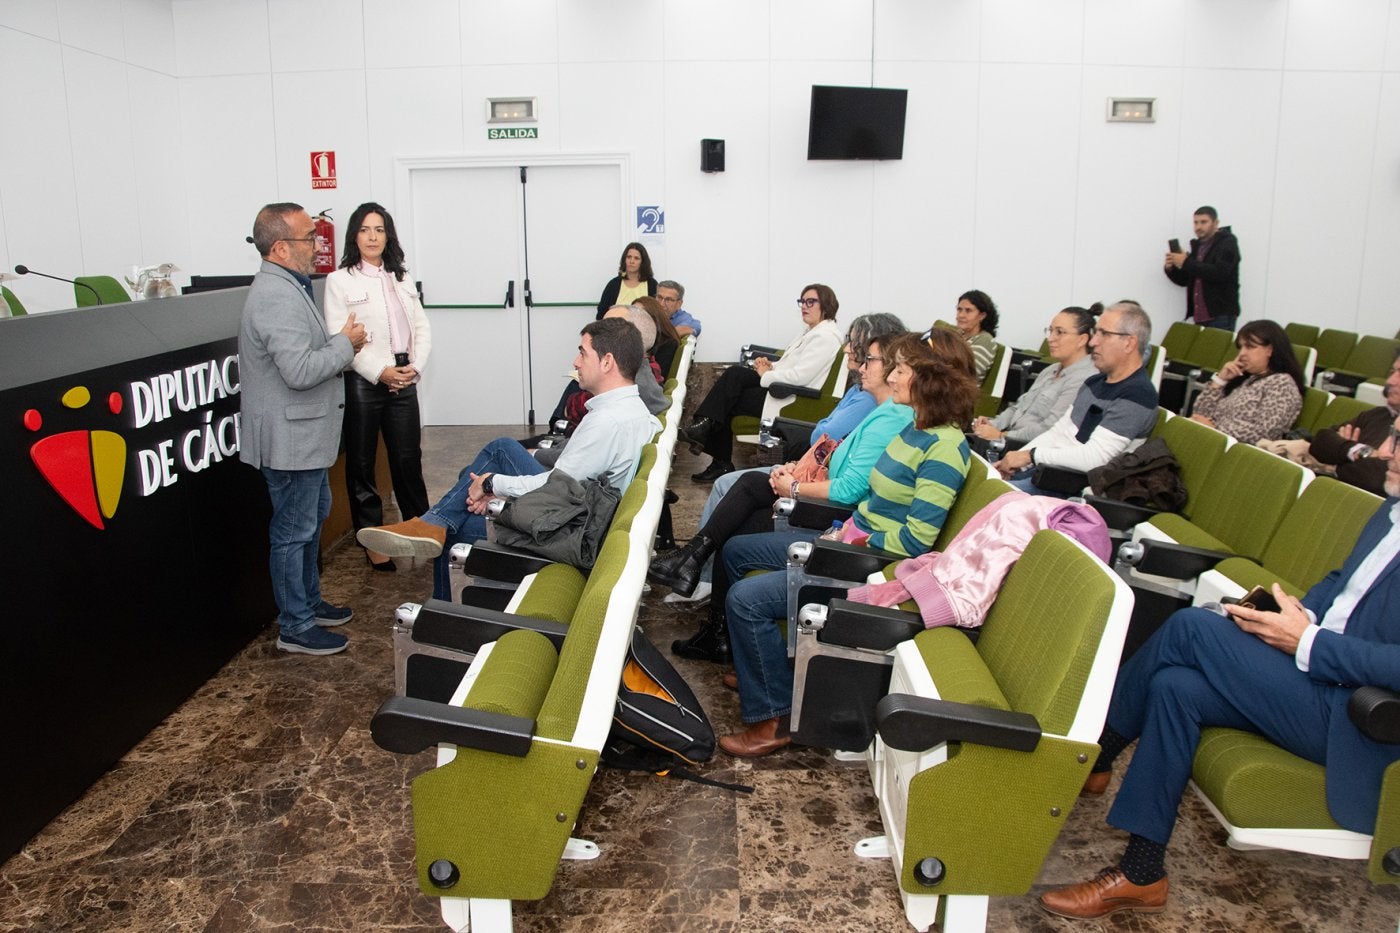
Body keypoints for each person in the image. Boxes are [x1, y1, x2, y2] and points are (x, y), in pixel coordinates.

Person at [1040, 417, 1400, 920]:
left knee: (1190, 628)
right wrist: (1298, 613)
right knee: (1175, 686)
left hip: (1357, 715)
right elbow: (1343, 582)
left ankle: (1098, 752)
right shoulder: (1391, 510)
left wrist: (1308, 641)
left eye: (1398, 441)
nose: (1384, 450)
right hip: (1316, 672)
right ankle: (1142, 872)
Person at [715, 334, 979, 755]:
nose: (891, 376)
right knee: (736, 550)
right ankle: (764, 671)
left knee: (746, 600)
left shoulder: (943, 450)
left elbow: (914, 540)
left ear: (929, 381)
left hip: (870, 565)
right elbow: (871, 500)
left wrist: (848, 538)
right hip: (852, 541)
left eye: (901, 370)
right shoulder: (914, 429)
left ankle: (775, 718)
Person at [357, 318, 660, 600]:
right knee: (501, 450)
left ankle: (442, 622)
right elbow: (566, 482)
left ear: (607, 362)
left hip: (571, 528)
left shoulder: (606, 422)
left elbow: (554, 489)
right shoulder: (637, 412)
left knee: (460, 528)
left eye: (583, 353)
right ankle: (433, 522)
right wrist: (492, 487)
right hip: (581, 510)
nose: (575, 361)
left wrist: (492, 485)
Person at [654, 330, 916, 653]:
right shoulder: (879, 410)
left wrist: (793, 485)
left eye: (872, 361)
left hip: (832, 517)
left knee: (743, 500)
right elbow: (832, 451)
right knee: (740, 506)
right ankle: (708, 607)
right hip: (827, 500)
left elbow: (848, 486)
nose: (861, 366)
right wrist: (799, 468)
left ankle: (696, 573)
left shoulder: (891, 417)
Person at [238, 202, 367, 656]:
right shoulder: (274, 295)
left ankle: (309, 603)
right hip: (290, 440)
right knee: (293, 533)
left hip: (306, 437)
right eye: (309, 238)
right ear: (279, 248)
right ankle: (295, 625)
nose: (317, 245)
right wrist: (345, 345)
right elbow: (298, 370)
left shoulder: (290, 286)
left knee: (310, 524)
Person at [323, 201, 431, 572]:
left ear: (389, 235)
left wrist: (413, 367)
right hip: (364, 381)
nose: (373, 237)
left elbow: (421, 328)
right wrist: (380, 371)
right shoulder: (340, 281)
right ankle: (370, 539)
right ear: (355, 235)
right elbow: (342, 339)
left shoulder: (401, 276)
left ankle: (421, 527)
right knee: (363, 462)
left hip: (404, 377)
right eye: (365, 230)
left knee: (407, 459)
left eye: (379, 229)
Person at [681, 284, 843, 483]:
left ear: (826, 304)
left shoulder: (825, 337)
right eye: (802, 301)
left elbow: (801, 377)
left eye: (811, 302)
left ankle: (710, 441)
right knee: (734, 376)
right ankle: (704, 428)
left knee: (726, 401)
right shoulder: (812, 331)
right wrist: (770, 365)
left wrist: (766, 374)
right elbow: (791, 365)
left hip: (793, 397)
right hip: (781, 386)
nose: (804, 306)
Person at [994, 301, 1158, 496]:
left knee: (990, 497)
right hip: (1045, 472)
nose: (1093, 341)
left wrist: (1032, 455)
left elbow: (1095, 458)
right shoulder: (1095, 382)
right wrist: (1014, 464)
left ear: (1129, 343)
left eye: (1104, 334)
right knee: (983, 483)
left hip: (1073, 487)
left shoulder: (1137, 395)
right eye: (1096, 332)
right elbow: (1059, 433)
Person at [973, 304, 1098, 446]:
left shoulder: (1085, 379)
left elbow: (1050, 429)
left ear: (1082, 339)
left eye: (1060, 332)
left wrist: (1001, 435)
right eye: (1050, 331)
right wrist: (992, 424)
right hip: (1010, 439)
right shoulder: (1050, 370)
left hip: (1031, 448)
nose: (1051, 338)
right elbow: (1018, 408)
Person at [1189, 319, 1304, 444]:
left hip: (1234, 451)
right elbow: (1199, 414)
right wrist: (1220, 380)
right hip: (1214, 442)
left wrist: (1216, 429)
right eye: (1241, 347)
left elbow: (1266, 433)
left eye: (1250, 346)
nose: (1242, 353)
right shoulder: (1247, 379)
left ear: (1269, 350)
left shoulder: (1282, 384)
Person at [1308, 351, 1400, 496]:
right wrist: (1362, 452)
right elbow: (1320, 442)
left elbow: (1377, 480)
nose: (1390, 381)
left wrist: (1338, 461)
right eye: (1392, 372)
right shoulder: (1378, 415)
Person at [1164, 205, 1240, 331]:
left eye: (1203, 222)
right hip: (1200, 317)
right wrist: (1171, 268)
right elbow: (1185, 280)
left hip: (1220, 314)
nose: (1198, 227)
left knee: (1218, 350)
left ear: (1216, 223)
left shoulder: (1228, 243)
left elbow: (1219, 273)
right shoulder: (1198, 247)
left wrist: (1186, 262)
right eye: (1195, 222)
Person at [595, 242, 656, 318]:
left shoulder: (652, 284)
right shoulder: (613, 284)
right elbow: (601, 314)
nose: (631, 261)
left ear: (643, 262)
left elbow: (657, 315)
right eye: (629, 257)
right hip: (615, 328)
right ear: (624, 259)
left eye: (636, 258)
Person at [952, 289, 1000, 382]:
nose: (961, 315)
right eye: (959, 309)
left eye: (968, 311)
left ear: (982, 315)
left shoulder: (985, 340)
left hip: (959, 391)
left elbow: (966, 373)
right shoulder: (956, 334)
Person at [634, 294, 682, 376]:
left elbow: (658, 376)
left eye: (639, 314)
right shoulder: (632, 337)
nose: (633, 317)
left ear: (653, 317)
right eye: (632, 313)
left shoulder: (668, 343)